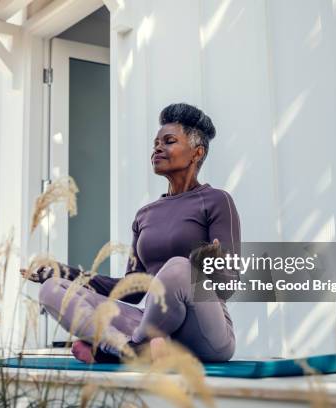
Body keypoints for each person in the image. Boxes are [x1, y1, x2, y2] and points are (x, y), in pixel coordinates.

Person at [22, 103, 240, 363]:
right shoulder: (145, 214)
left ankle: (127, 349)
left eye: (168, 141)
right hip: (155, 328)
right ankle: (126, 347)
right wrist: (64, 272)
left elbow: (229, 285)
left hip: (205, 332)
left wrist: (207, 265)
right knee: (53, 289)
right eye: (155, 143)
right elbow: (131, 289)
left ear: (196, 153)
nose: (157, 148)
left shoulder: (216, 201)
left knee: (178, 268)